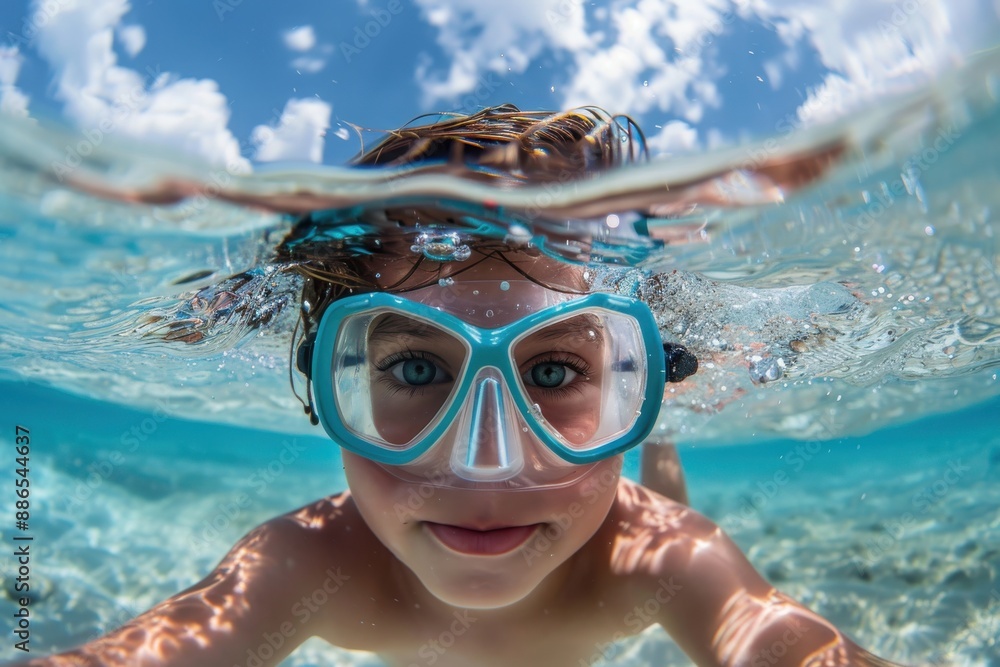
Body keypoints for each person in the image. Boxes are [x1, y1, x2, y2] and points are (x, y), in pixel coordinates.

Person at [18, 106, 899, 667]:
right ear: (322, 382)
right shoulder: (310, 563)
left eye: (554, 370)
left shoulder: (662, 556)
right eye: (413, 367)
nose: (487, 465)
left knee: (655, 484)